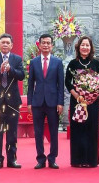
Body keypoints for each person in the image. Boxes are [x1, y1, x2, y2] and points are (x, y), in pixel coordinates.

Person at [0, 33, 25, 169]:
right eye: (3, 42)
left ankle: (12, 160)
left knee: (12, 132)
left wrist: (11, 70)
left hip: (12, 101)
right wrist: (0, 70)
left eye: (7, 43)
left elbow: (22, 76)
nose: (5, 45)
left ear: (11, 45)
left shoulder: (17, 59)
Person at [27, 34, 64, 169]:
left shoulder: (57, 62)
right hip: (37, 102)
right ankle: (40, 159)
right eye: (43, 43)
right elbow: (30, 84)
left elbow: (61, 84)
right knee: (38, 132)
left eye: (48, 43)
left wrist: (61, 103)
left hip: (53, 102)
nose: (46, 45)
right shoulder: (34, 62)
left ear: (52, 45)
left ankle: (52, 158)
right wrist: (29, 102)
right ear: (39, 45)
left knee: (54, 132)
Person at [65, 36, 99, 168]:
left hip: (92, 102)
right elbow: (68, 82)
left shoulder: (96, 64)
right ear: (78, 47)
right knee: (78, 129)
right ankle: (78, 160)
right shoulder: (72, 64)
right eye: (83, 45)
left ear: (91, 48)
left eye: (87, 45)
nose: (85, 47)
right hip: (78, 102)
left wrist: (93, 96)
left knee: (91, 129)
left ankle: (91, 160)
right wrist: (77, 96)